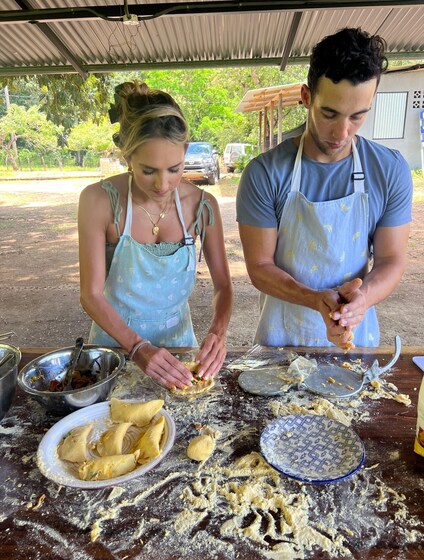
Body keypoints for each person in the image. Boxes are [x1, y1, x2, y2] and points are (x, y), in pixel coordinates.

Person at [236, 27, 412, 350]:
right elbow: (259, 267)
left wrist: (360, 300)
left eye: (357, 117)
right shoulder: (264, 173)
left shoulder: (390, 170)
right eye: (329, 113)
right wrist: (314, 299)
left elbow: (391, 259)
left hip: (355, 345)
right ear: (306, 97)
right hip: (281, 346)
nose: (342, 132)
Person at [78, 81, 233, 390]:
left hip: (179, 353)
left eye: (174, 169)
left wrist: (218, 331)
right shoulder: (99, 201)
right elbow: (91, 295)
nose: (163, 185)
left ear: (186, 151)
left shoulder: (203, 207)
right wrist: (137, 347)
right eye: (148, 171)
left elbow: (224, 286)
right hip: (113, 354)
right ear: (127, 157)